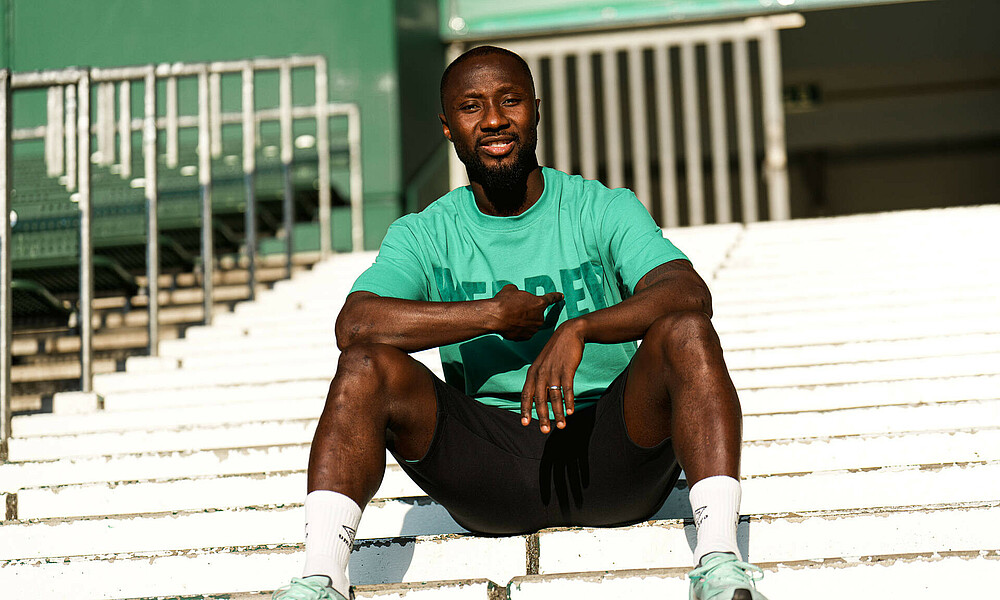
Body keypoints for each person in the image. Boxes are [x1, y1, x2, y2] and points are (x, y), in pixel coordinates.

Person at [272, 45, 769, 600]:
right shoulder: (425, 232)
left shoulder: (599, 206)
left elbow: (686, 291)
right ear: (447, 127)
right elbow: (356, 326)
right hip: (493, 468)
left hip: (611, 449)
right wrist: (491, 315)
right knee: (365, 366)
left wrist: (579, 329)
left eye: (510, 101)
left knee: (687, 331)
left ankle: (720, 563)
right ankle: (322, 579)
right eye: (471, 107)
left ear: (535, 109)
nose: (493, 120)